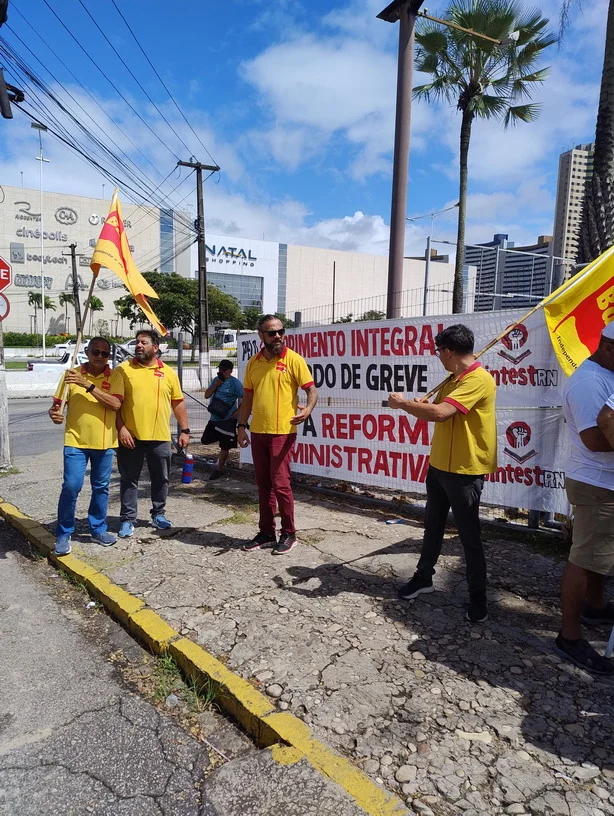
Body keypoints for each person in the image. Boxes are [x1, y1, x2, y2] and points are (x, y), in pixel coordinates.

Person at [388, 324, 497, 623]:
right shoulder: (453, 379)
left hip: (465, 469)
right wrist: (418, 406)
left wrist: (402, 404)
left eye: (439, 352)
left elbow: (440, 414)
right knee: (432, 526)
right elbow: (436, 409)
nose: (438, 356)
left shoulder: (478, 379)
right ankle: (424, 577)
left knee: (469, 536)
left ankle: (478, 598)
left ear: (448, 352)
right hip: (439, 466)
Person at [554, 323, 614, 676]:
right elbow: (593, 439)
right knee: (583, 557)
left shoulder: (604, 375)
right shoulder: (589, 381)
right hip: (595, 482)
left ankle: (594, 606)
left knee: (599, 552)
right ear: (607, 348)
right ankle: (569, 637)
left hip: (603, 481)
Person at [237, 314, 318, 554]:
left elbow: (312, 391)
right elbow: (248, 398)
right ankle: (266, 533)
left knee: (281, 485)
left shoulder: (294, 360)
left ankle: (289, 533)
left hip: (282, 433)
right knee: (263, 486)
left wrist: (308, 409)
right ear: (261, 335)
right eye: (272, 333)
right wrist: (241, 427)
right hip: (258, 432)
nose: (278, 336)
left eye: (281, 331)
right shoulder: (253, 363)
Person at [49, 337, 124, 555]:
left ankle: (98, 529)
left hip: (105, 442)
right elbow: (56, 407)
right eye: (95, 352)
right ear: (87, 352)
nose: (100, 356)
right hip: (75, 441)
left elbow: (115, 404)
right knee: (71, 486)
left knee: (101, 488)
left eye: (104, 353)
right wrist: (54, 415)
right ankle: (63, 533)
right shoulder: (71, 375)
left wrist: (87, 385)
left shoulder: (115, 376)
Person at [115, 330, 190, 536]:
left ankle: (158, 514)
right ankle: (127, 519)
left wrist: (185, 430)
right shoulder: (122, 370)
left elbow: (178, 402)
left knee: (161, 478)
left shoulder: (168, 372)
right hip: (131, 437)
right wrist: (121, 428)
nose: (138, 345)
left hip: (160, 437)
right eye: (137, 342)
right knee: (129, 479)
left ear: (155, 348)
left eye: (144, 342)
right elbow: (115, 404)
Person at [202, 359, 244, 481]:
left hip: (227, 420)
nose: (221, 372)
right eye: (220, 369)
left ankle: (219, 469)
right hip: (214, 418)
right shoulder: (216, 380)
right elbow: (206, 395)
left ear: (230, 371)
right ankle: (220, 456)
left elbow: (246, 398)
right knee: (205, 440)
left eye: (224, 370)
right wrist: (216, 385)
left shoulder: (235, 384)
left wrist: (237, 412)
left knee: (225, 447)